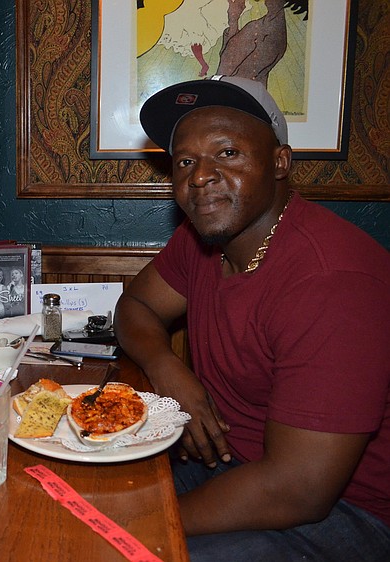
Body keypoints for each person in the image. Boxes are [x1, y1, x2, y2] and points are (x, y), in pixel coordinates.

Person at [116, 76, 390, 560]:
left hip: (352, 510)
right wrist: (167, 367)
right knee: (76, 493)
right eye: (185, 161)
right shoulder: (205, 238)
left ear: (280, 162)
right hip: (233, 463)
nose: (200, 176)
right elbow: (136, 306)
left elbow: (299, 489)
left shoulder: (331, 280)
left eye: (227, 153)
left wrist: (142, 524)